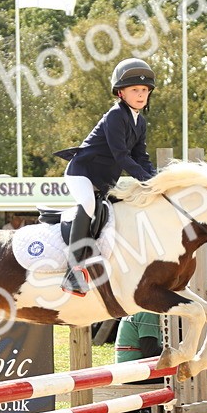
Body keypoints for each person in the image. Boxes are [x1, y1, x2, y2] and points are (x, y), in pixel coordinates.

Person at [54, 57, 156, 296]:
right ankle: (73, 269)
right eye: (135, 90)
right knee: (88, 204)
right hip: (82, 172)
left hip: (104, 180)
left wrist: (156, 179)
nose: (141, 94)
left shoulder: (139, 122)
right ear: (121, 93)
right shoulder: (114, 116)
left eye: (145, 90)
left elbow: (141, 156)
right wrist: (146, 180)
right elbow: (122, 157)